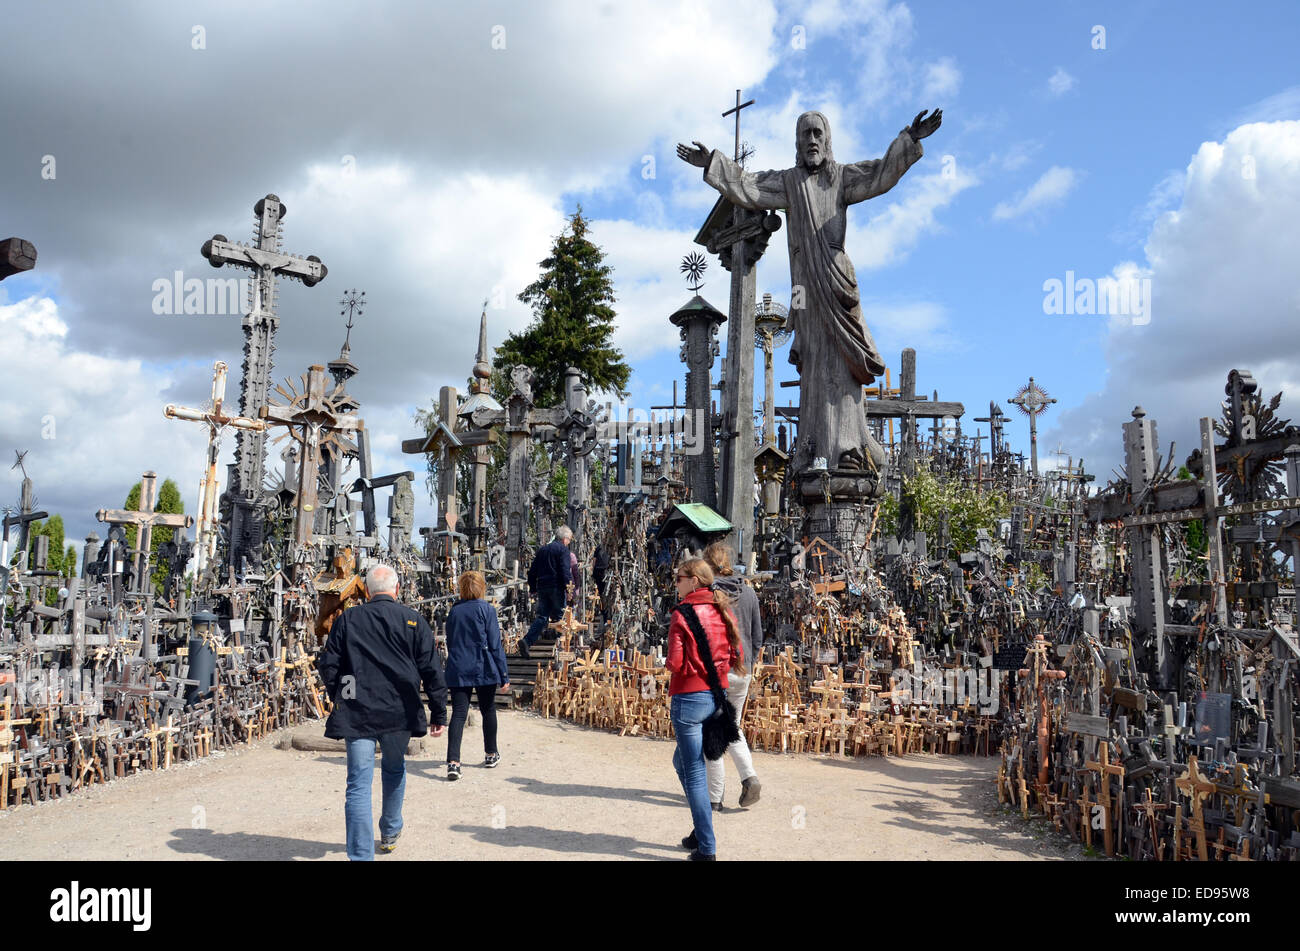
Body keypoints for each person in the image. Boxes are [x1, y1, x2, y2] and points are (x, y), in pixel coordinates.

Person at [678, 107, 942, 480]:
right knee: (816, 366)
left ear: (828, 140)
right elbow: (750, 186)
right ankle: (816, 446)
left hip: (837, 286)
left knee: (843, 367)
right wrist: (713, 164)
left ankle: (850, 445)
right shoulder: (788, 182)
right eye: (806, 135)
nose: (812, 141)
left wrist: (909, 140)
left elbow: (880, 174)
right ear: (797, 143)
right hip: (805, 291)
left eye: (818, 134)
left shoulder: (841, 177)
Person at [317, 564, 447, 861]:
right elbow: (432, 670)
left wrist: (339, 694)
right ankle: (389, 831)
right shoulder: (414, 620)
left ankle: (361, 856)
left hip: (357, 710)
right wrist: (439, 713)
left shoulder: (349, 619)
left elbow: (329, 664)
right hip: (399, 711)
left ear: (367, 591)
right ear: (397, 589)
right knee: (393, 768)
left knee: (358, 783)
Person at [666, 558, 745, 861]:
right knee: (681, 762)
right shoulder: (722, 609)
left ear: (694, 581)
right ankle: (700, 830)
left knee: (695, 772)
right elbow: (736, 652)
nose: (676, 583)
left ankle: (707, 848)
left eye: (679, 578)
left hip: (688, 697)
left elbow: (674, 662)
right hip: (716, 695)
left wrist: (671, 665)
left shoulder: (681, 614)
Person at [703, 542, 763, 809]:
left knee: (713, 732)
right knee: (732, 726)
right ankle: (749, 778)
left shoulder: (709, 593)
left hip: (719, 671)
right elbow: (758, 636)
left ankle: (714, 798)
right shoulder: (748, 592)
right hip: (743, 669)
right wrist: (749, 661)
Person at [443, 570, 510, 780]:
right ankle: (491, 753)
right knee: (488, 709)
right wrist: (504, 674)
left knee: (458, 713)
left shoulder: (454, 611)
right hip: (483, 665)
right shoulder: (487, 610)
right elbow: (495, 644)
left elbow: (450, 640)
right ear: (481, 587)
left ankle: (453, 762)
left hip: (459, 665)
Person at [517, 525, 573, 658]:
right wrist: (568, 588)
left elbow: (532, 571)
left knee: (542, 617)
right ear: (565, 539)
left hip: (542, 587)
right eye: (569, 540)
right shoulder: (563, 551)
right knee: (561, 619)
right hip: (556, 587)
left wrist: (533, 588)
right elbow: (565, 571)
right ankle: (560, 653)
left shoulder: (542, 550)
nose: (569, 543)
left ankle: (527, 641)